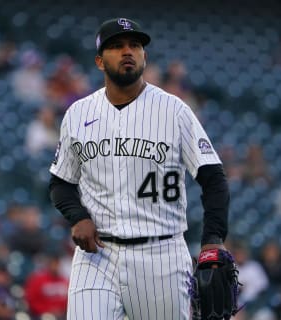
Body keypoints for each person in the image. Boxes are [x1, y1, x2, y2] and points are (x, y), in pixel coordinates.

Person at [49, 17, 230, 320]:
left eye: (135, 45)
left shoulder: (175, 111)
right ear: (99, 61)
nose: (128, 51)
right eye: (117, 46)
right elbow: (60, 183)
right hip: (97, 258)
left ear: (145, 56)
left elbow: (214, 179)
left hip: (161, 256)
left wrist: (213, 240)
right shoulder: (78, 114)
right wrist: (77, 217)